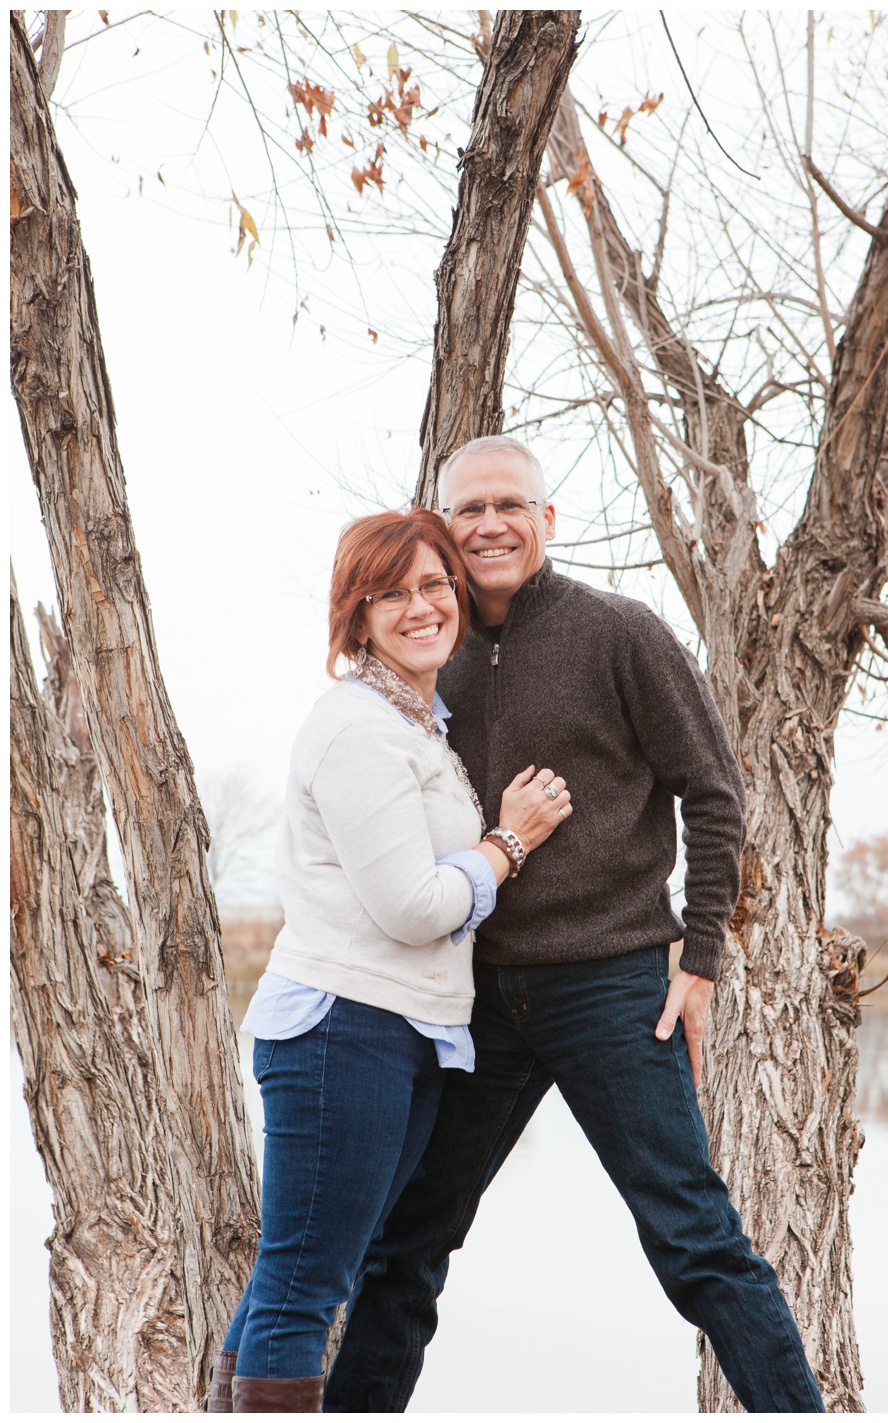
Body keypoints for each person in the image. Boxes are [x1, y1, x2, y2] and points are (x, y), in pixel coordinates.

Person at [324, 435, 825, 1413]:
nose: (489, 524)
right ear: (445, 525)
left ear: (547, 520)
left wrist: (701, 956)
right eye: (468, 509)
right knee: (405, 1243)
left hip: (612, 983)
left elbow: (713, 794)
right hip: (472, 995)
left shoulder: (621, 632)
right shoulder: (432, 647)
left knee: (694, 1238)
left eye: (510, 505)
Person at [214, 510, 572, 1412]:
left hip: (399, 1031)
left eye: (434, 585)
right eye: (392, 593)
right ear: (357, 614)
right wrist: (508, 843)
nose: (421, 607)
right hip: (344, 1026)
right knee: (305, 1286)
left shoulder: (416, 725)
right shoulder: (357, 728)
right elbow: (413, 907)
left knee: (297, 1273)